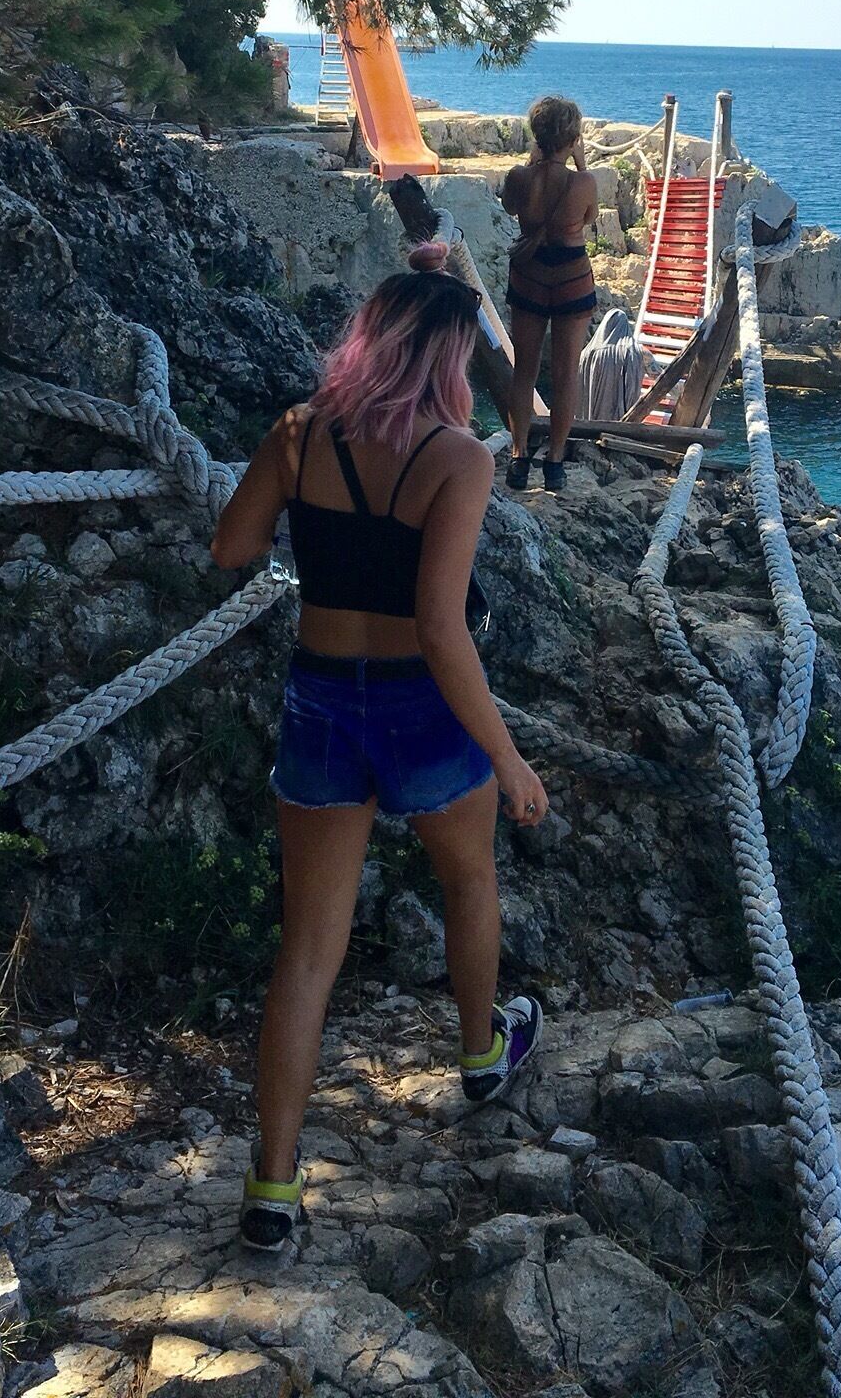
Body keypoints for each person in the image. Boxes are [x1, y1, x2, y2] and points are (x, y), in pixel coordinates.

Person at [210, 246, 550, 1254]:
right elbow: (442, 628)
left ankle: (273, 1187)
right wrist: (510, 757)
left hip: (320, 698)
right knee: (468, 879)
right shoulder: (460, 458)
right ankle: (482, 1052)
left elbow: (232, 548)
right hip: (421, 706)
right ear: (448, 358)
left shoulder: (299, 432)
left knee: (308, 949)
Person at [501, 96, 599, 491]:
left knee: (524, 369)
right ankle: (555, 463)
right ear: (573, 139)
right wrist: (581, 165)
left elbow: (510, 207)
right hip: (572, 276)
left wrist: (532, 162)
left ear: (537, 136)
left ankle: (518, 456)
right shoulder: (584, 182)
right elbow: (589, 218)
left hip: (529, 274)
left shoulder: (518, 177)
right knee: (565, 373)